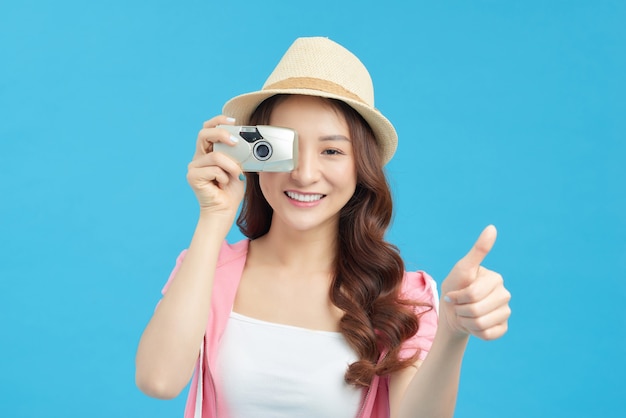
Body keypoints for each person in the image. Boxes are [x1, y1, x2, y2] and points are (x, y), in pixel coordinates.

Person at [135, 37, 511, 418]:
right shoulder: (207, 272)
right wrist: (213, 218)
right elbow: (158, 381)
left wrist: (451, 332)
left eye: (331, 151)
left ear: (361, 166)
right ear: (253, 153)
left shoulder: (403, 297)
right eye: (286, 149)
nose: (304, 174)